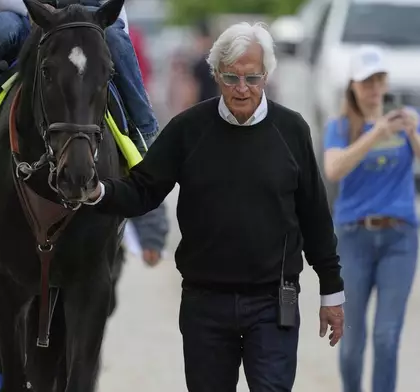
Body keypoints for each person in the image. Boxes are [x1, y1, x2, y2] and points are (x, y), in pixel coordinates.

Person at [83, 22, 346, 391]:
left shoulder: (293, 131)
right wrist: (96, 192)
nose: (242, 88)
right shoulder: (187, 129)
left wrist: (331, 293)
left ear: (266, 75)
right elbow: (143, 190)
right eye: (231, 77)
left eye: (252, 78)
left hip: (274, 303)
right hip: (204, 304)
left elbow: (316, 219)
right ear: (216, 75)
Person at [0, 0, 159, 159]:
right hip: (26, 14)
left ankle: (144, 128)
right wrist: (39, 10)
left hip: (86, 17)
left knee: (115, 39)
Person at [323, 45, 419, 392]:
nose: (374, 88)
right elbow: (333, 168)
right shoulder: (341, 126)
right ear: (353, 85)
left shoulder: (407, 117)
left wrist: (411, 134)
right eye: (367, 81)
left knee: (387, 335)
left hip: (400, 239)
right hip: (353, 238)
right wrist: (374, 133)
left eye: (379, 79)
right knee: (351, 340)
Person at [190, 20, 219, 103]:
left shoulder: (200, 63)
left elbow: (194, 87)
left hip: (203, 102)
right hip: (211, 101)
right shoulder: (214, 61)